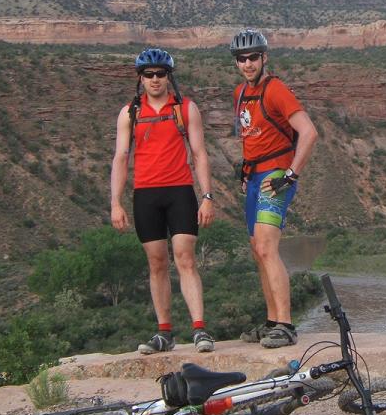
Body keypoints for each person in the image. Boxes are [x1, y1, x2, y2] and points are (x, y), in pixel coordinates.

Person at [110, 48, 216, 354]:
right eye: (149, 75)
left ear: (169, 76)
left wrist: (207, 196)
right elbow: (120, 157)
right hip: (145, 194)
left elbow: (199, 154)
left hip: (180, 190)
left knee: (185, 258)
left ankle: (199, 329)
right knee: (156, 263)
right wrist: (115, 202)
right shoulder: (131, 112)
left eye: (161, 74)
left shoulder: (185, 108)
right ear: (141, 78)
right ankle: (164, 332)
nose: (155, 80)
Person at [230, 29, 318, 348]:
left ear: (264, 57)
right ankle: (271, 322)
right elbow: (253, 135)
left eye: (254, 57)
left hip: (276, 176)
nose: (248, 63)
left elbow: (309, 132)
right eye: (242, 58)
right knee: (258, 252)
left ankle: (286, 324)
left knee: (267, 247)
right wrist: (245, 169)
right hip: (254, 177)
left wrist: (291, 174)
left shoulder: (276, 89)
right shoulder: (240, 92)